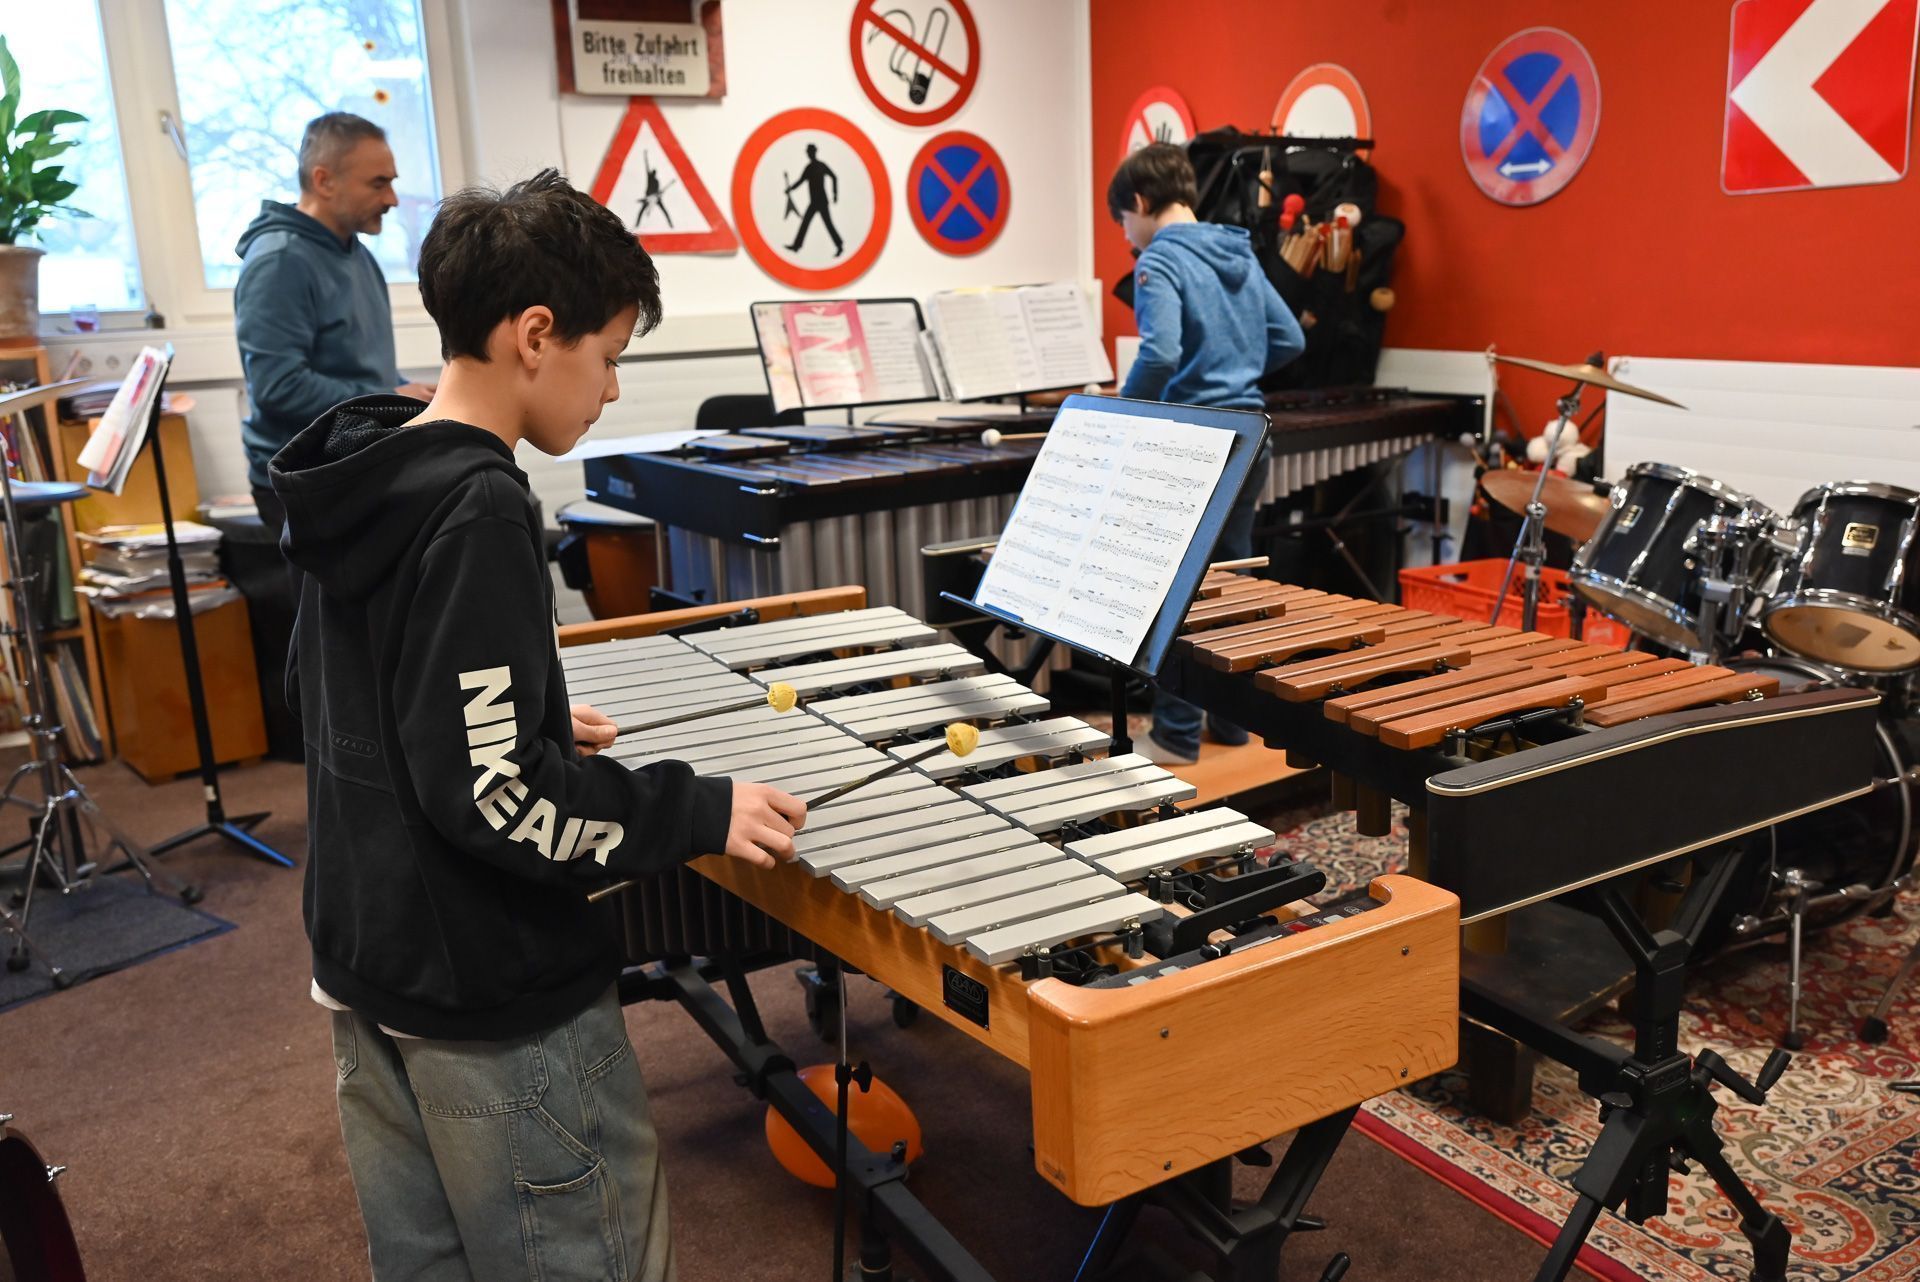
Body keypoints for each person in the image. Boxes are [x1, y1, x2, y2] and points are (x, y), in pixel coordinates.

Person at [271, 168, 806, 1282]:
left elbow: (345, 696)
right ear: (534, 335)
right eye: (609, 357)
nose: (611, 389)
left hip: (369, 963)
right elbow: (497, 798)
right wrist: (696, 807)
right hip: (491, 1001)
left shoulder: (370, 473)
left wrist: (534, 709)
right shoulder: (478, 506)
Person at [1110, 142, 1306, 764]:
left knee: (1174, 587)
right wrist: (1236, 370)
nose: (1128, 236)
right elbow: (1290, 337)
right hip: (1251, 431)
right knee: (1229, 582)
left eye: (1123, 222)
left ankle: (1172, 733)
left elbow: (1161, 353)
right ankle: (1229, 723)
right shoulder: (1238, 250)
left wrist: (1118, 410)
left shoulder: (1160, 260)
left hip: (1191, 440)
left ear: (1138, 203)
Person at [235, 112, 435, 535]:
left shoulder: (355, 252)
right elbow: (278, 386)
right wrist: (386, 396)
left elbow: (358, 367)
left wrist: (407, 395)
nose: (393, 199)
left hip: (352, 466)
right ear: (324, 181)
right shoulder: (280, 260)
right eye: (378, 183)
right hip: (306, 482)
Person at [785, 143, 843, 256]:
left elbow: (834, 177)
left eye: (810, 152)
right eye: (808, 152)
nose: (809, 154)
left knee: (828, 223)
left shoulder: (820, 166)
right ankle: (796, 246)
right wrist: (790, 189)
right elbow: (801, 181)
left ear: (814, 152)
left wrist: (835, 194)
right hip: (814, 202)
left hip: (821, 201)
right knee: (806, 222)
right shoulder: (809, 168)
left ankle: (839, 246)